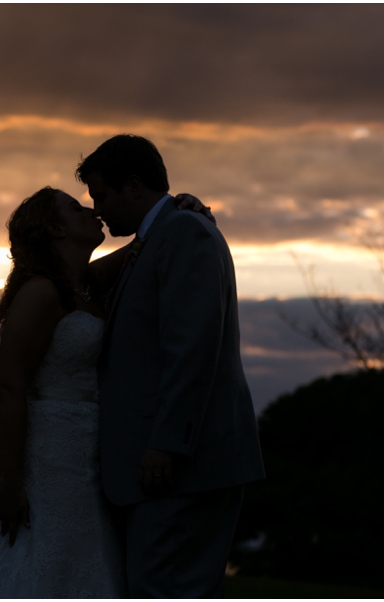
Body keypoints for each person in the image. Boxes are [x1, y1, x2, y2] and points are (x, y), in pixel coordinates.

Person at [0, 186, 212, 598]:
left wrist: (180, 210)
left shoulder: (87, 283)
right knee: (53, 554)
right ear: (56, 228)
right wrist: (9, 482)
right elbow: (9, 386)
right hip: (53, 451)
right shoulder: (40, 292)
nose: (92, 210)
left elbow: (145, 245)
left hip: (92, 445)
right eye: (76, 207)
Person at [76, 134, 265, 598]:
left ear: (134, 186)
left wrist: (167, 443)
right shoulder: (163, 235)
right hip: (160, 473)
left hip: (181, 468)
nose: (98, 210)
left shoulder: (185, 234)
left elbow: (193, 346)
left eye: (101, 195)